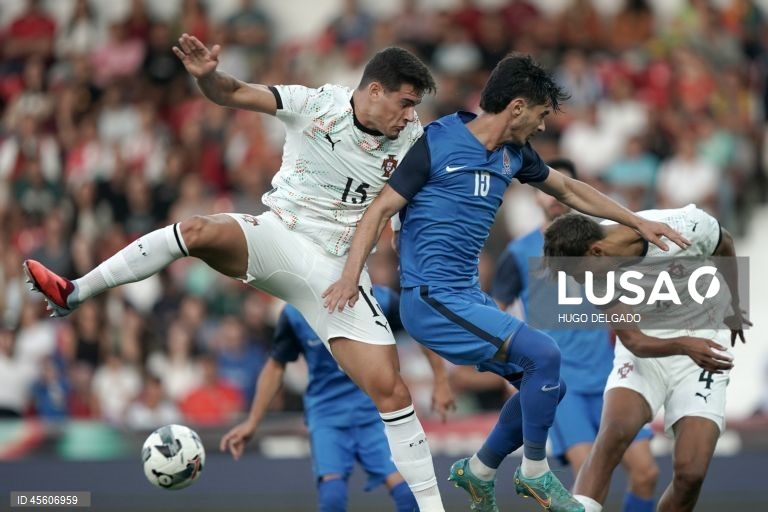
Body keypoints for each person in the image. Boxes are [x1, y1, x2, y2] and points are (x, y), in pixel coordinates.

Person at [23, 35, 449, 510]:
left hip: (338, 273)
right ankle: (75, 291)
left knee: (393, 393)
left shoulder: (412, 140)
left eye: (414, 106)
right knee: (197, 229)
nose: (410, 115)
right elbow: (232, 92)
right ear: (374, 90)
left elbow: (412, 202)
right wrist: (208, 78)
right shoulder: (315, 104)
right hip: (278, 237)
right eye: (405, 103)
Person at [322, 53, 689, 512]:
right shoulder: (437, 140)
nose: (542, 125)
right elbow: (380, 209)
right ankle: (534, 471)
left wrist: (636, 220)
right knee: (545, 355)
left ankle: (479, 470)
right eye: (540, 114)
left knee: (548, 384)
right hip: (431, 298)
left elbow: (570, 189)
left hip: (466, 298)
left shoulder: (514, 154)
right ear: (517, 108)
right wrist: (350, 276)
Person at [542, 205, 749, 512]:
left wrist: (734, 306)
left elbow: (725, 243)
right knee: (612, 437)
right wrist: (684, 345)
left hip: (702, 347)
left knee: (690, 474)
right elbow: (635, 341)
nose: (581, 282)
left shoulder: (685, 227)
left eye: (578, 273)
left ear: (596, 251)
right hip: (648, 348)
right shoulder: (596, 275)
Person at [492, 158, 658, 512]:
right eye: (545, 191)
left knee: (646, 473)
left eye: (559, 189)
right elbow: (495, 314)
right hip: (561, 383)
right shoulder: (519, 252)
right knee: (589, 480)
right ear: (535, 196)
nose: (552, 197)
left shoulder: (604, 243)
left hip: (611, 375)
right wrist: (510, 369)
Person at [220, 285, 455, 512]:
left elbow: (417, 329)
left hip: (374, 411)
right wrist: (252, 422)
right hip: (327, 414)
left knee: (407, 495)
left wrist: (441, 380)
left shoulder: (379, 299)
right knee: (332, 498)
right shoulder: (296, 312)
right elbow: (276, 365)